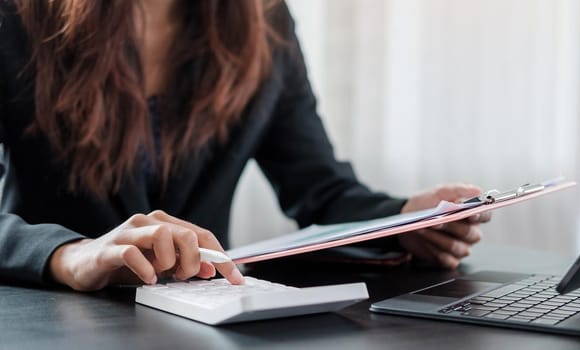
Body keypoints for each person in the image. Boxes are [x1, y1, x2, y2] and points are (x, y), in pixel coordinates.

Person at [0, 0, 490, 292]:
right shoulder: (16, 18)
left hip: (198, 316)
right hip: (50, 315)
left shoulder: (263, 20)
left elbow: (320, 188)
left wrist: (405, 219)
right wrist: (69, 255)